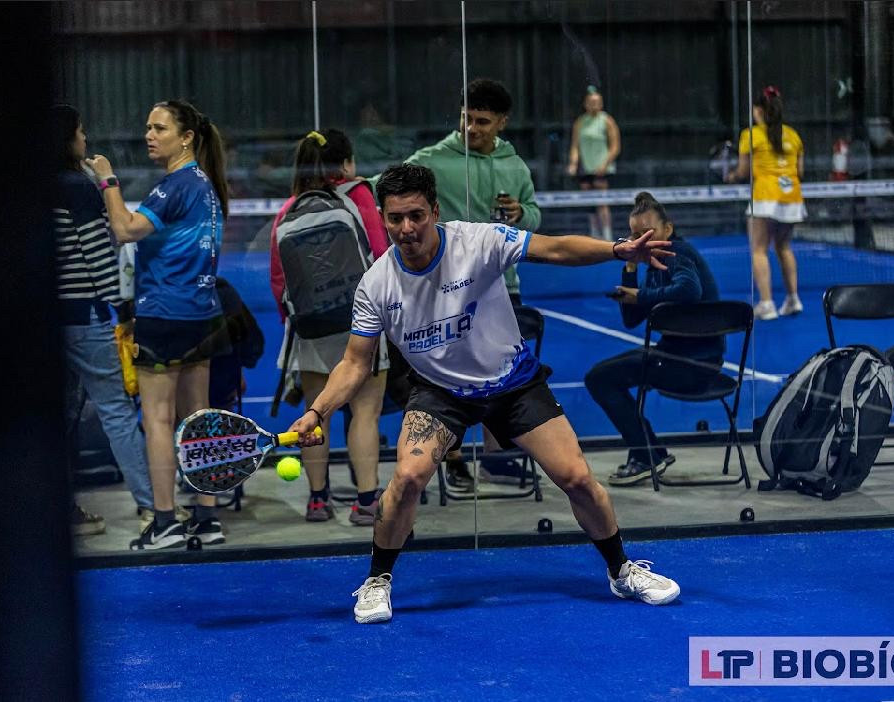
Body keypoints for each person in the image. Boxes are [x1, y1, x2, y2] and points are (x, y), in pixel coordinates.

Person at [288, 164, 681, 624]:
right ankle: (377, 580)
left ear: (435, 212)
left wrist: (617, 250)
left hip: (512, 381)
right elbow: (355, 363)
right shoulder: (376, 284)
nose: (406, 228)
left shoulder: (478, 242)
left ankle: (621, 570)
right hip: (440, 392)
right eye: (395, 218)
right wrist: (318, 411)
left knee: (575, 477)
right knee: (408, 477)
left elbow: (554, 248)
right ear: (383, 218)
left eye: (416, 215)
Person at [378, 78, 542, 489]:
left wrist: (522, 214)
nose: (471, 129)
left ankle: (496, 459)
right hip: (442, 289)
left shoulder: (515, 165)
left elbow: (534, 213)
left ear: (502, 122)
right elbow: (393, 192)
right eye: (466, 119)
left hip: (502, 285)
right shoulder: (431, 160)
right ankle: (450, 459)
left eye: (482, 121)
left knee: (501, 372)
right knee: (443, 376)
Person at [87, 99, 230, 549]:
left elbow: (125, 228)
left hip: (165, 313)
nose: (149, 135)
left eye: (159, 128)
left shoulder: (176, 185)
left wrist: (107, 179)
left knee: (159, 420)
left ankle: (165, 521)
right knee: (199, 419)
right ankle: (207, 518)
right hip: (203, 314)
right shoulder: (205, 185)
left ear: (186, 137)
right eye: (148, 127)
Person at [51, 104, 167, 537]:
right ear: (68, 140)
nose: (85, 139)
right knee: (117, 411)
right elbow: (98, 255)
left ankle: (63, 512)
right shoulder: (76, 187)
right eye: (81, 132)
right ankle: (155, 507)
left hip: (56, 318)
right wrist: (123, 309)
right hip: (87, 316)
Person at [269, 129, 390, 524]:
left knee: (315, 415)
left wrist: (297, 323)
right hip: (361, 325)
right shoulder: (359, 197)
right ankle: (366, 502)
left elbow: (278, 280)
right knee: (365, 415)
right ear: (347, 163)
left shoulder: (289, 210)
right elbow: (381, 256)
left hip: (311, 331)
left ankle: (318, 500)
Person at [585, 192, 724, 486]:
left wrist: (640, 296)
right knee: (600, 375)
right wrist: (630, 267)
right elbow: (631, 319)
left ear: (668, 229)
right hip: (676, 358)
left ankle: (646, 455)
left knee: (600, 379)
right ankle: (651, 451)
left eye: (647, 234)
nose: (641, 241)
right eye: (635, 236)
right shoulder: (653, 264)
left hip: (692, 365)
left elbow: (689, 290)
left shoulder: (677, 253)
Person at [727, 85, 806, 321]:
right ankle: (793, 299)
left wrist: (730, 176)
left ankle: (766, 304)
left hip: (764, 198)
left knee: (759, 249)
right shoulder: (793, 135)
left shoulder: (750, 135)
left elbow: (743, 172)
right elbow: (800, 172)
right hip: (792, 196)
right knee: (784, 247)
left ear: (759, 110)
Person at [566, 85, 621, 241]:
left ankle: (607, 236)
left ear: (601, 103)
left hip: (602, 168)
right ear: (585, 104)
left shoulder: (607, 120)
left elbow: (615, 147)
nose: (594, 105)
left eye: (597, 102)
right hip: (585, 169)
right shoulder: (580, 122)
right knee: (589, 204)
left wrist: (604, 165)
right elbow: (575, 146)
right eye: (591, 102)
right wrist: (573, 164)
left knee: (602, 202)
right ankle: (594, 234)